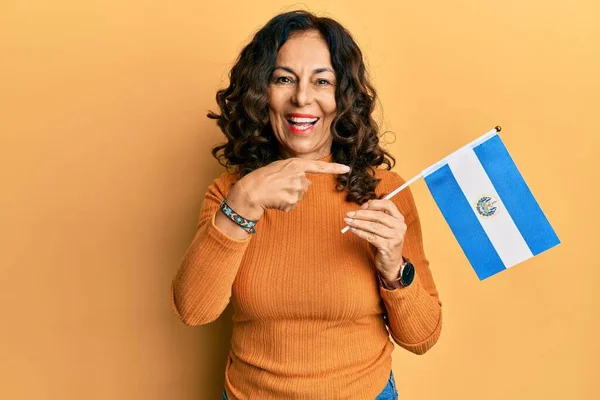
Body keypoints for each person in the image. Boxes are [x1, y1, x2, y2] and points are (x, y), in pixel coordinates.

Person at [171, 10, 442, 400]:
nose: (302, 97)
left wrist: (393, 267)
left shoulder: (386, 192)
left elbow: (422, 337)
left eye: (322, 81)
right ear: (261, 93)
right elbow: (194, 310)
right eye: (284, 79)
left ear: (343, 97)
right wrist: (243, 202)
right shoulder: (231, 191)